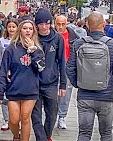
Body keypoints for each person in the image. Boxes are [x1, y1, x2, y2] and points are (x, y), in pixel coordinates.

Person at [66, 12, 113, 141]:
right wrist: (112, 86)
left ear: (87, 25)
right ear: (104, 24)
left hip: (85, 96)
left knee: (84, 134)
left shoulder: (78, 44)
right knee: (106, 134)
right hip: (106, 96)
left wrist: (78, 84)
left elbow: (70, 68)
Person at [0, 20, 45, 141]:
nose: (27, 31)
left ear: (33, 31)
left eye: (30, 28)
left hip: (31, 89)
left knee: (25, 117)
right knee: (14, 119)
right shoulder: (11, 49)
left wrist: (33, 51)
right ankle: (16, 136)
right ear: (20, 31)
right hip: (14, 88)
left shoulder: (38, 49)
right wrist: (0, 92)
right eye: (25, 28)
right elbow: (3, 70)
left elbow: (40, 68)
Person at [31, 8, 67, 141]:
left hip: (51, 82)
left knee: (52, 113)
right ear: (37, 25)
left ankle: (47, 135)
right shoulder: (32, 37)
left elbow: (62, 61)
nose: (44, 27)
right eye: (41, 24)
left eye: (47, 23)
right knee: (35, 115)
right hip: (34, 82)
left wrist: (63, 84)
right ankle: (41, 138)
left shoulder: (57, 38)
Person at [0, 19, 19, 131]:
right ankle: (7, 120)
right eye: (10, 27)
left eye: (14, 26)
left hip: (17, 74)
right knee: (4, 98)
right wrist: (0, 71)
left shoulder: (21, 42)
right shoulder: (1, 41)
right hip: (4, 73)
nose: (12, 29)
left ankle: (17, 120)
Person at [54, 15, 78, 129]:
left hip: (67, 67)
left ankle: (62, 116)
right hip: (53, 68)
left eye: (63, 24)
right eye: (58, 24)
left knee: (66, 94)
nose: (61, 27)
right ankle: (52, 115)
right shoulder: (51, 35)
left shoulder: (73, 36)